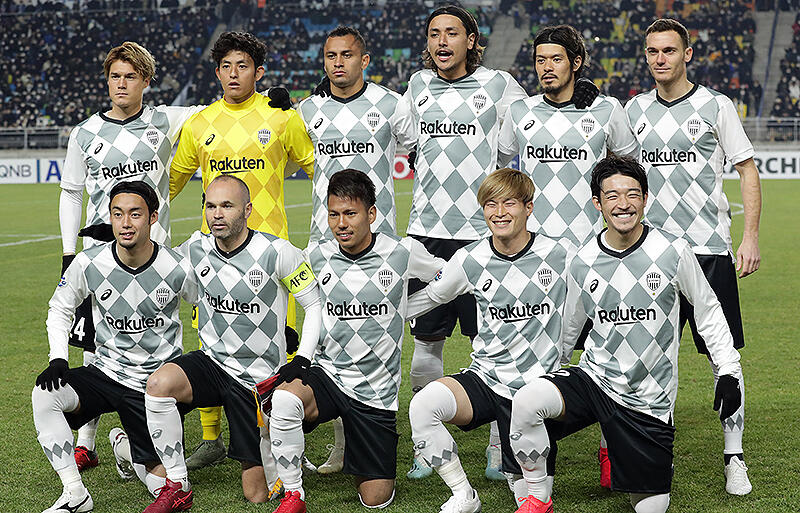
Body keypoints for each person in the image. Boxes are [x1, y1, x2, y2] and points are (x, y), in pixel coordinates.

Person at [508, 155, 743, 513]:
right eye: (612, 195)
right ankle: (538, 499)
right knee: (527, 400)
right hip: (595, 381)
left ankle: (634, 459)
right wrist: (550, 369)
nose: (624, 204)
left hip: (648, 402)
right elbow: (570, 326)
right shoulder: (583, 259)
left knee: (651, 507)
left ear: (645, 199)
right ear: (597, 203)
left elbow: (707, 310)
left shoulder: (673, 251)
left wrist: (727, 369)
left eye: (633, 194)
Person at [625, 18, 760, 495]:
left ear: (687, 54)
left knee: (723, 355)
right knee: (644, 355)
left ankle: (734, 457)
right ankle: (640, 449)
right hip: (650, 252)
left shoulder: (715, 105)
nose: (660, 58)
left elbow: (747, 170)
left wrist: (750, 237)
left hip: (707, 249)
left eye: (669, 50)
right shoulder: (634, 109)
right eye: (652, 51)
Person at [169, 31, 315, 471]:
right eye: (227, 66)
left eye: (243, 66)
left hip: (272, 257)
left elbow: (320, 167)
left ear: (259, 72)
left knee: (280, 346)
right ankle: (212, 438)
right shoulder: (200, 124)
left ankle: (275, 434)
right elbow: (170, 182)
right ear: (217, 72)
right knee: (211, 343)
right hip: (214, 257)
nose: (234, 74)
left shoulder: (282, 118)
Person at [58, 42, 203, 469]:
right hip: (102, 257)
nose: (121, 84)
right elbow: (72, 193)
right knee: (93, 342)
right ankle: (86, 442)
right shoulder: (85, 132)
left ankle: (150, 425)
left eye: (130, 76)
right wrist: (69, 253)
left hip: (156, 259)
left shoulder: (165, 120)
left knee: (159, 335)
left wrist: (271, 101)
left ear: (146, 81)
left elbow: (217, 111)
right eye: (115, 76)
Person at [268, 169, 444, 513]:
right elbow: (287, 286)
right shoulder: (316, 255)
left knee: (376, 499)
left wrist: (408, 307)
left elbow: (444, 275)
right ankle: (293, 494)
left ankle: (356, 449)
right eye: (334, 214)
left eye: (350, 213)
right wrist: (282, 329)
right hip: (329, 376)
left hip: (376, 393)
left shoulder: (403, 252)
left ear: (371, 214)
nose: (341, 223)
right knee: (285, 399)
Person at [402, 4, 529, 480]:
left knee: (493, 344)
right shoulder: (417, 86)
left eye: (452, 33)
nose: (442, 41)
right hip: (427, 234)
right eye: (434, 33)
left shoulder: (499, 85)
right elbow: (388, 133)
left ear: (471, 40)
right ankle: (427, 444)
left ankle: (500, 444)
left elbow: (535, 121)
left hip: (484, 236)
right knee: (427, 341)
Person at [142, 175, 321, 513]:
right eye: (211, 206)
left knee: (257, 494)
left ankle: (278, 446)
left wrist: (302, 359)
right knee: (159, 384)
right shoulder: (195, 248)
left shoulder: (277, 251)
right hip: (213, 363)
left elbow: (314, 304)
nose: (217, 214)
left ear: (247, 210)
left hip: (256, 380)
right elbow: (154, 266)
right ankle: (177, 485)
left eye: (227, 206)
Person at [406, 168, 575, 512]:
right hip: (487, 379)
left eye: (509, 203)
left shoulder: (560, 253)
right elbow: (433, 295)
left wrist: (568, 349)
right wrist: (384, 312)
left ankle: (522, 476)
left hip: (537, 391)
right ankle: (463, 495)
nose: (499, 213)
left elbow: (596, 291)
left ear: (528, 207)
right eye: (490, 204)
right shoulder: (470, 258)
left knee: (529, 498)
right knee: (423, 406)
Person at [33, 181, 197, 513]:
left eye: (135, 214)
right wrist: (58, 358)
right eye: (117, 214)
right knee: (45, 394)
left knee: (162, 484)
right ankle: (75, 493)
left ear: (152, 217)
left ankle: (122, 446)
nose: (125, 223)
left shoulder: (176, 266)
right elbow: (59, 308)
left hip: (153, 387)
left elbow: (210, 306)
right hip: (106, 374)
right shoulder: (89, 263)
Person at [297, 26, 416, 472]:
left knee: (377, 339)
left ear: (364, 60)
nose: (338, 63)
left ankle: (383, 430)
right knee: (332, 339)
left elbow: (415, 146)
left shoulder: (391, 103)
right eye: (331, 56)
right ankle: (341, 444)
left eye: (347, 55)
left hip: (378, 241)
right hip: (324, 239)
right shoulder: (309, 109)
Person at [498, 24, 637, 247]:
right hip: (531, 243)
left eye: (556, 59)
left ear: (576, 62)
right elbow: (495, 162)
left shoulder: (607, 109)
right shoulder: (519, 111)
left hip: (589, 242)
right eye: (540, 60)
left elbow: (634, 164)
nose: (547, 67)